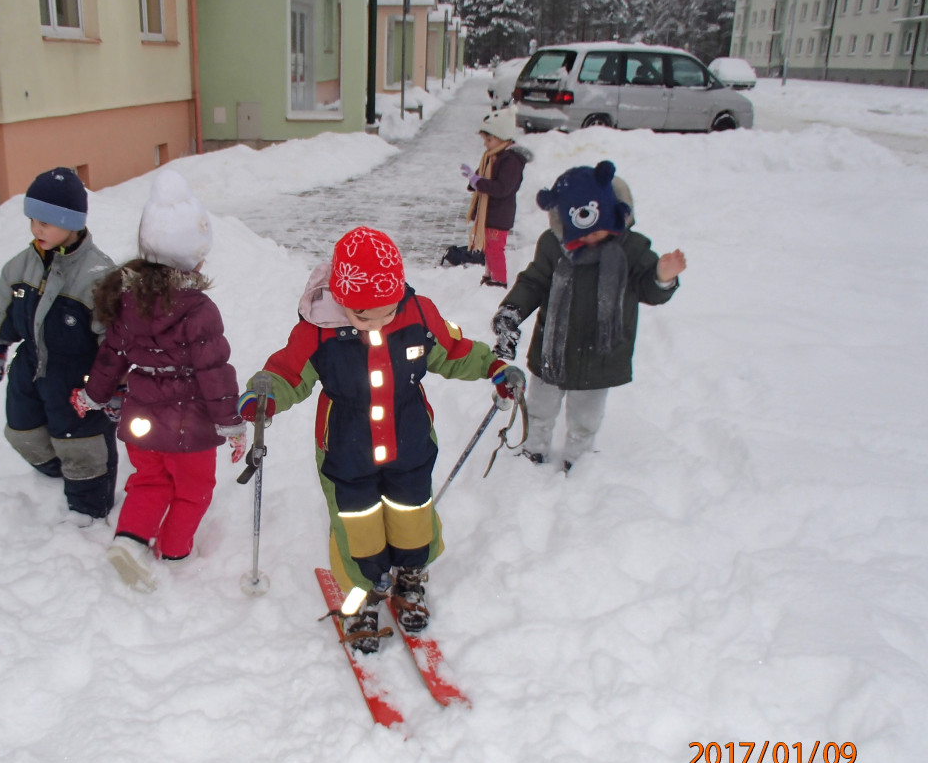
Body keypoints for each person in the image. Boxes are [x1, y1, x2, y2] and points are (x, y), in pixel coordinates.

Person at [239, 226, 525, 653]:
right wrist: (266, 393)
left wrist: (494, 368)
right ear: (341, 300)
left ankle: (410, 577)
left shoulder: (419, 314)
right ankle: (362, 598)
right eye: (362, 316)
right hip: (345, 447)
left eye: (386, 313)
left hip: (409, 437)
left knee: (413, 514)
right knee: (358, 525)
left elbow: (455, 350)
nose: (377, 323)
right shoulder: (318, 329)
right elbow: (288, 372)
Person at [70, 170, 244, 592]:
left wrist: (93, 396)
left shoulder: (128, 300)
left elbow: (110, 356)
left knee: (148, 480)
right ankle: (176, 550)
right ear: (195, 260)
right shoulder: (199, 310)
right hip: (191, 430)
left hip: (141, 423)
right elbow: (213, 372)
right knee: (193, 489)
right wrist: (232, 424)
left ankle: (129, 542)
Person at [491, 160, 686, 472]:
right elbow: (534, 281)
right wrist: (511, 312)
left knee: (586, 416)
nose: (592, 238)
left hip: (601, 354)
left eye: (600, 229)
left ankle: (578, 458)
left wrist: (662, 276)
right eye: (583, 232)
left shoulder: (632, 249)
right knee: (541, 407)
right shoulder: (553, 246)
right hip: (553, 348)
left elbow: (649, 290)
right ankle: (534, 448)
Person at [0, 166, 118, 522]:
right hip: (30, 367)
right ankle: (54, 470)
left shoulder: (98, 277)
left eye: (46, 222)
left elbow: (114, 341)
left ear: (72, 223)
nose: (36, 229)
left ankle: (88, 511)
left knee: (82, 443)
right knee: (22, 430)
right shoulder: (20, 267)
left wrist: (114, 387)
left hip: (78, 378)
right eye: (33, 220)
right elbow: (4, 310)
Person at [460, 106, 532, 290]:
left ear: (502, 137)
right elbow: (481, 178)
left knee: (495, 249)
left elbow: (502, 188)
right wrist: (473, 180)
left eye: (489, 139)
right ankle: (490, 275)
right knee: (488, 248)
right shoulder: (493, 156)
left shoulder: (511, 160)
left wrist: (478, 181)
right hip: (492, 213)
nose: (485, 144)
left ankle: (499, 280)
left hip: (500, 214)